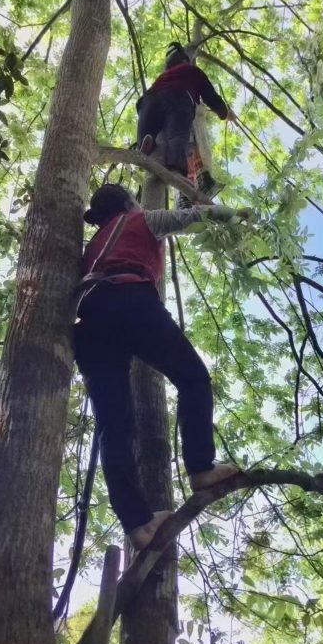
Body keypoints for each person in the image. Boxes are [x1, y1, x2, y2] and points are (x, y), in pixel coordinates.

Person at [73, 183, 251, 549]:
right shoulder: (140, 219)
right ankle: (201, 467)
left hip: (90, 321)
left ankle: (137, 523)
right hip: (131, 301)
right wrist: (234, 215)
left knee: (114, 425)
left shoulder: (92, 247)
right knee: (193, 378)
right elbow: (194, 216)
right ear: (127, 203)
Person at [137, 42, 237, 200]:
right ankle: (176, 170)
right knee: (176, 136)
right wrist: (225, 113)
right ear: (185, 61)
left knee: (148, 128)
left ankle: (143, 147)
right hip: (178, 97)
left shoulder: (163, 76)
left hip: (148, 101)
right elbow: (211, 97)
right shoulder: (192, 70)